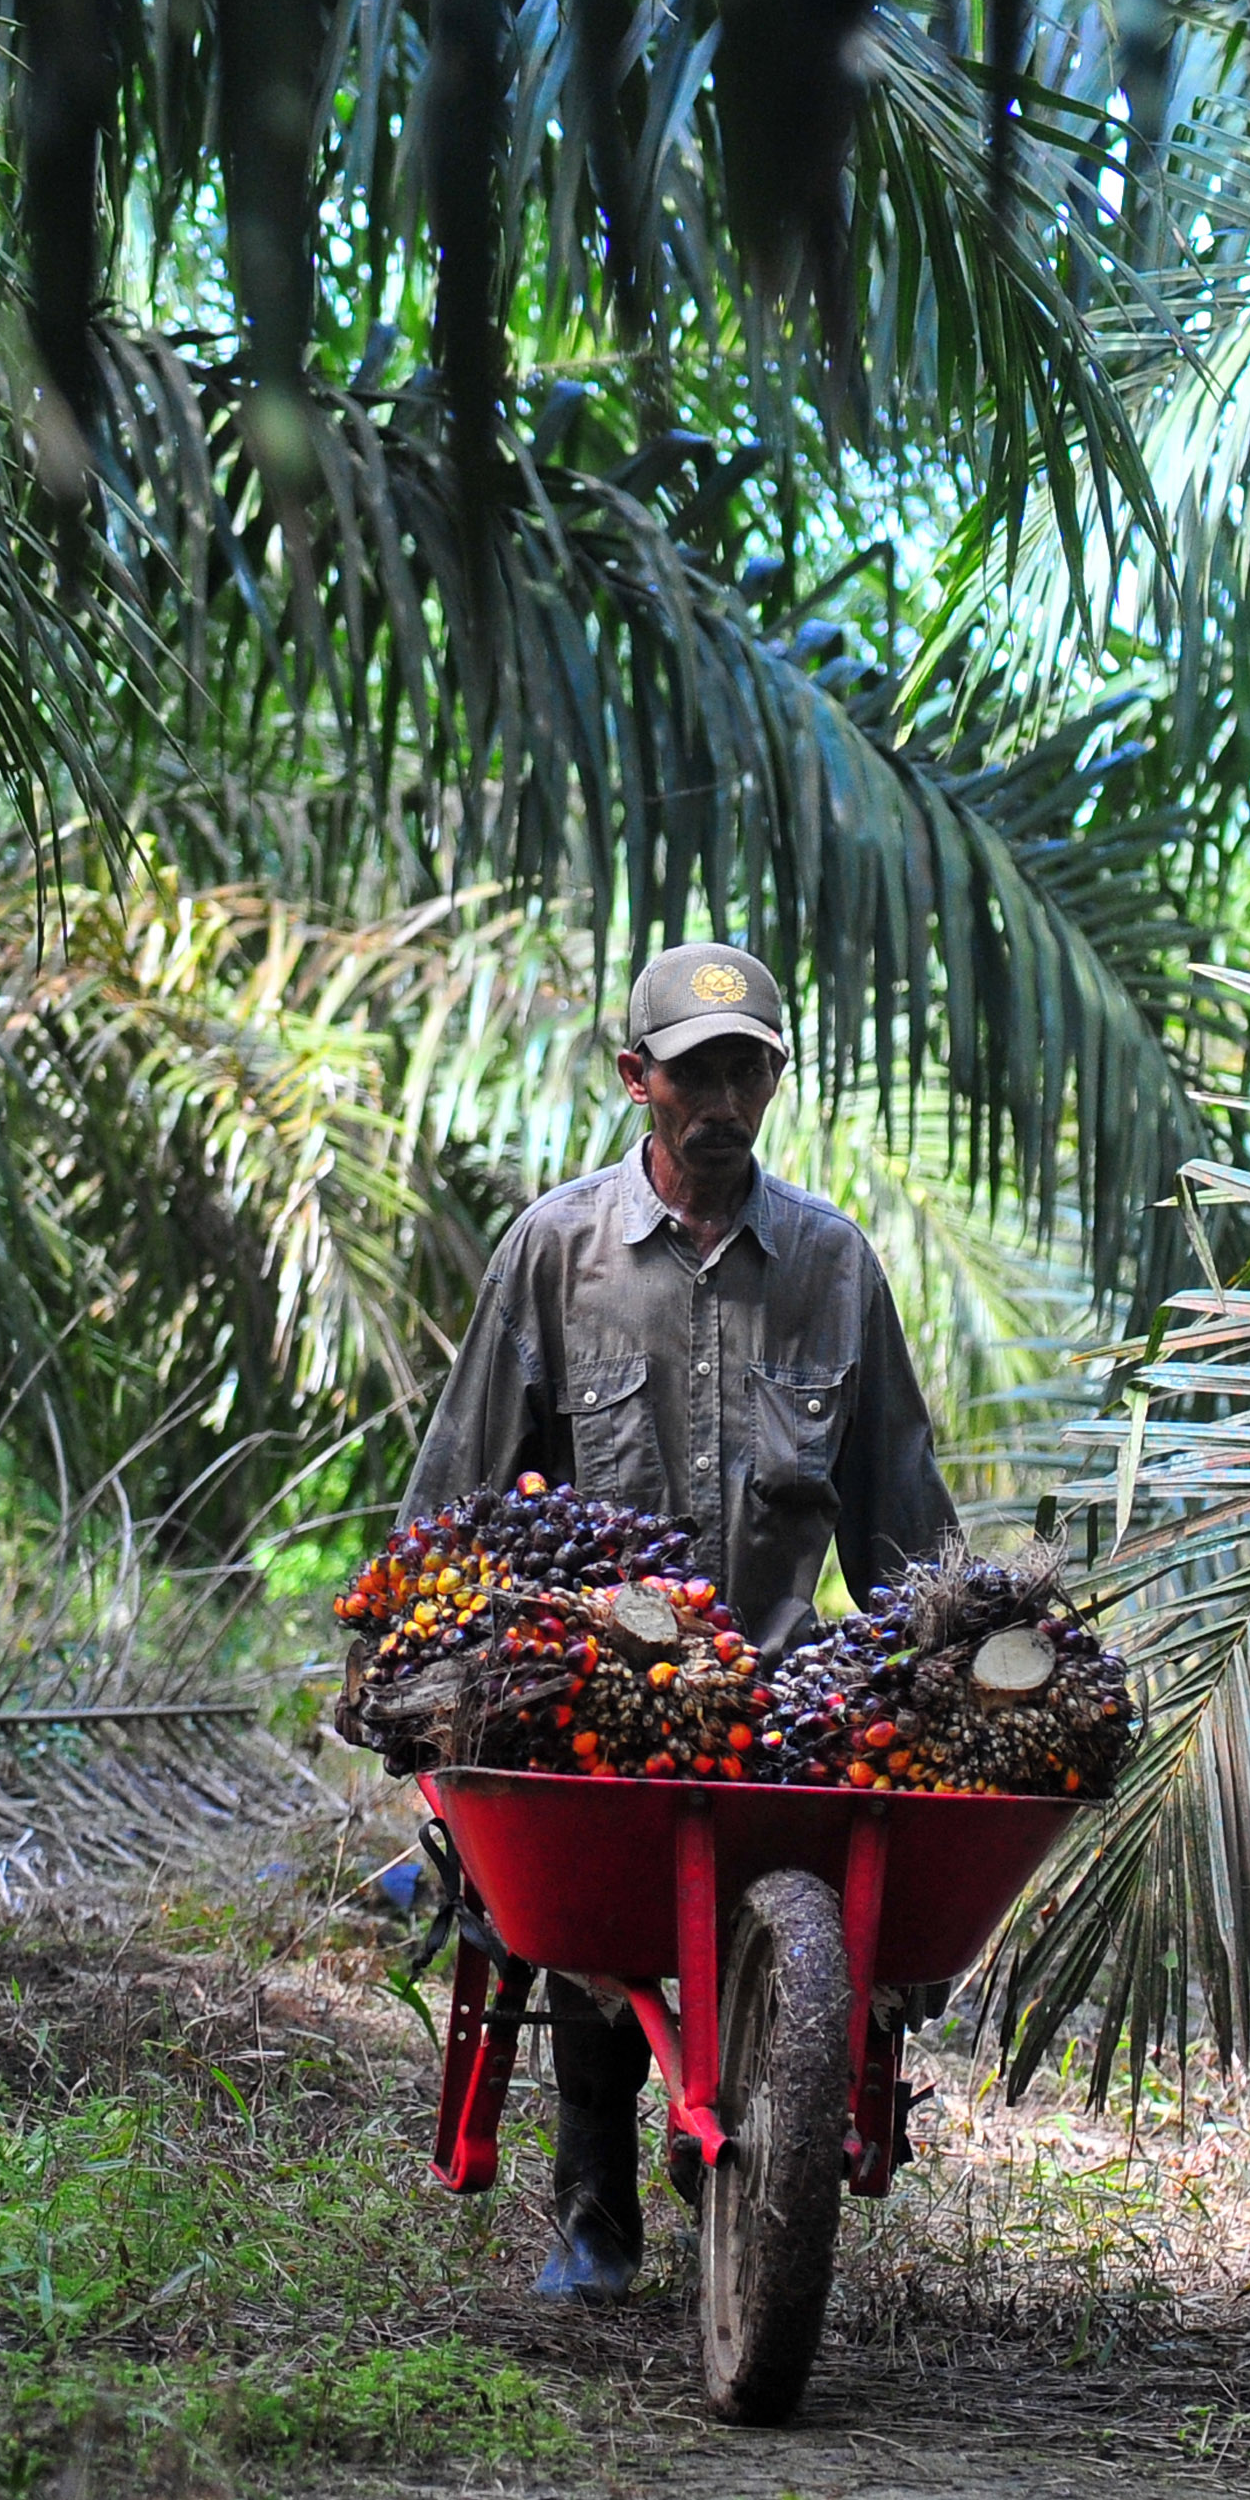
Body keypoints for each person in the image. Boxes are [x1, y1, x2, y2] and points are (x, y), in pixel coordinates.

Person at [402, 940, 958, 2300]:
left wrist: (955, 1687)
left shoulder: (831, 1267)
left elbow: (899, 1511)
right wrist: (424, 1661)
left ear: (773, 1081)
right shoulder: (558, 1252)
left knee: (795, 1880)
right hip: (592, 1690)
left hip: (772, 1693)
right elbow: (466, 1482)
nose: (723, 1098)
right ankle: (592, 2215)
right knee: (588, 1897)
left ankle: (751, 2140)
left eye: (748, 1071)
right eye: (697, 1071)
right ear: (636, 1076)